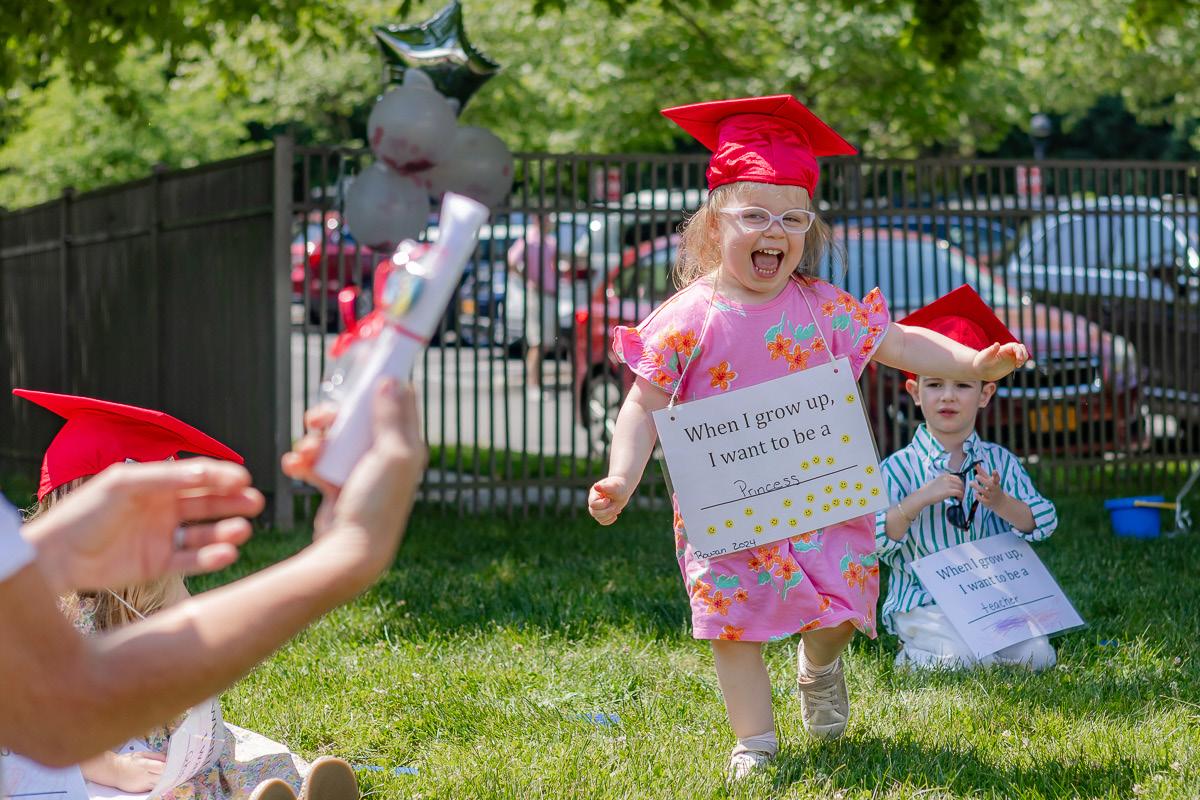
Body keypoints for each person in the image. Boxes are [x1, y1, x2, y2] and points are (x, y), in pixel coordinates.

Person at [586, 95, 1029, 779]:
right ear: (714, 224)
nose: (776, 232)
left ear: (808, 229)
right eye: (755, 216)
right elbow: (642, 405)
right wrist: (622, 476)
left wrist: (972, 363)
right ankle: (755, 743)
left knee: (842, 610)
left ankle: (818, 667)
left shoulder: (820, 307)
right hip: (728, 508)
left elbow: (897, 341)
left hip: (821, 498)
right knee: (733, 626)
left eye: (792, 218)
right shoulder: (688, 319)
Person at [0, 378, 424, 780]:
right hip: (99, 758)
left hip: (165, 739)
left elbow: (192, 643)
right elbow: (49, 714)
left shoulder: (150, 578)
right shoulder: (52, 604)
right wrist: (348, 549)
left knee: (257, 764)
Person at [874, 286, 1059, 671]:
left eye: (962, 384)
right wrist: (918, 499)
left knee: (1039, 656)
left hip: (991, 598)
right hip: (925, 602)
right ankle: (911, 657)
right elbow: (875, 539)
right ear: (915, 392)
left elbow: (1042, 523)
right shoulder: (898, 469)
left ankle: (979, 653)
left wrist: (1001, 502)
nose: (948, 396)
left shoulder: (999, 462)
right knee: (959, 661)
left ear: (985, 393)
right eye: (935, 384)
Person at [507, 213, 563, 399]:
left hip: (548, 294)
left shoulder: (549, 241)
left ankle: (535, 382)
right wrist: (529, 279)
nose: (551, 222)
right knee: (538, 342)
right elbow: (512, 262)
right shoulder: (529, 239)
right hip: (538, 294)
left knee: (544, 342)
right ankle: (533, 384)